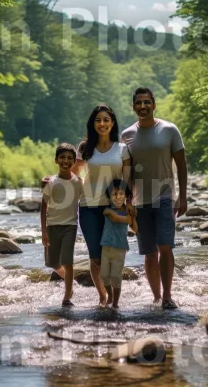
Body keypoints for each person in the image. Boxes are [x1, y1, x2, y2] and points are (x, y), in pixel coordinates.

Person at [121, 87, 188, 310]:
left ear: (154, 104)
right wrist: (127, 201)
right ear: (133, 107)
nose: (143, 106)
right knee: (149, 253)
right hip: (139, 202)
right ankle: (156, 297)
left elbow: (181, 165)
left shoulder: (169, 130)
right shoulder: (127, 135)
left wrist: (183, 197)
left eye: (147, 102)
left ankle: (168, 296)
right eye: (139, 103)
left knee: (165, 246)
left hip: (165, 197)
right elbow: (126, 171)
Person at [72, 104, 132, 308]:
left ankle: (114, 299)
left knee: (111, 254)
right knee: (95, 256)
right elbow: (72, 173)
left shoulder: (122, 149)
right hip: (88, 205)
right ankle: (102, 296)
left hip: (113, 208)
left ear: (112, 123)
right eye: (98, 120)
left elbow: (127, 180)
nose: (102, 123)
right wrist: (53, 180)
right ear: (93, 124)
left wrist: (129, 203)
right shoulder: (85, 148)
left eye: (106, 120)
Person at [40, 143, 83, 307]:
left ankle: (67, 295)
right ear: (56, 160)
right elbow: (43, 207)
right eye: (63, 157)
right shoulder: (50, 182)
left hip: (70, 226)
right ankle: (68, 280)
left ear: (74, 161)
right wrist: (44, 231)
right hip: (52, 226)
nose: (66, 161)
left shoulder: (78, 182)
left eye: (70, 158)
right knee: (52, 263)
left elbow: (89, 199)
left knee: (68, 261)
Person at [100, 179, 138, 310]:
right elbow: (114, 218)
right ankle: (109, 295)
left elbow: (135, 229)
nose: (117, 197)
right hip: (106, 246)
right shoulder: (107, 210)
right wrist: (126, 216)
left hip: (120, 248)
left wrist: (132, 217)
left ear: (126, 196)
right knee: (104, 275)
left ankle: (115, 302)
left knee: (116, 276)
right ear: (109, 196)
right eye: (114, 194)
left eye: (121, 194)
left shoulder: (127, 211)